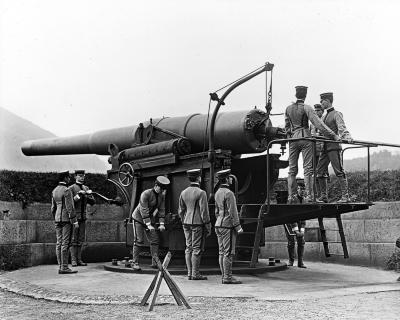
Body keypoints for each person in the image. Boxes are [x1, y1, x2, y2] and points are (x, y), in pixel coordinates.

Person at [285, 86, 339, 204]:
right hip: (305, 138)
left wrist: (291, 136)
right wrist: (333, 135)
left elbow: (287, 128)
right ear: (305, 95)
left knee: (292, 169)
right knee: (308, 169)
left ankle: (291, 197)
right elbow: (318, 124)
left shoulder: (288, 108)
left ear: (296, 95)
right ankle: (310, 197)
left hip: (293, 140)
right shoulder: (307, 107)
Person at [316, 92, 353, 203]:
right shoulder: (323, 116)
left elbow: (342, 127)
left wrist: (347, 136)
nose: (321, 103)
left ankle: (345, 196)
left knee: (339, 171)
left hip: (334, 147)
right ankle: (324, 196)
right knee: (320, 171)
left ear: (327, 101)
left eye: (322, 101)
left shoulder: (336, 114)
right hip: (324, 147)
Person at [131, 176, 170, 271]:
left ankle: (154, 262)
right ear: (156, 185)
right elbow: (143, 209)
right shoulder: (146, 194)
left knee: (155, 240)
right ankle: (134, 262)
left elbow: (161, 210)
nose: (161, 191)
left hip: (150, 220)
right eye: (161, 188)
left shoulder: (161, 196)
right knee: (139, 240)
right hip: (138, 219)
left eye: (163, 189)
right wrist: (148, 224)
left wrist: (161, 224)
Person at [178, 169, 211, 280]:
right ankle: (195, 274)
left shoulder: (183, 192)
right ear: (199, 178)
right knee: (196, 249)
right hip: (197, 223)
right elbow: (204, 212)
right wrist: (208, 225)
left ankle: (189, 273)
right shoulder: (201, 193)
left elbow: (180, 210)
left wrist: (184, 220)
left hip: (186, 223)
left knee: (188, 248)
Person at [214, 169, 243, 284]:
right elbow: (233, 212)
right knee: (228, 253)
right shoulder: (229, 193)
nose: (231, 179)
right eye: (229, 177)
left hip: (219, 224)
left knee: (221, 252)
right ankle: (227, 277)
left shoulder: (217, 192)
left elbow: (216, 211)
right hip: (227, 226)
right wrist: (238, 226)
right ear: (226, 179)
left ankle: (224, 276)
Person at [51, 171, 78, 274]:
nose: (69, 179)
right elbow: (70, 208)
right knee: (65, 243)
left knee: (59, 243)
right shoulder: (67, 190)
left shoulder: (54, 190)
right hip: (66, 220)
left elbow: (53, 208)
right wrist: (74, 221)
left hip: (57, 219)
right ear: (66, 178)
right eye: (68, 177)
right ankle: (64, 267)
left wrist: (56, 218)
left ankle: (60, 265)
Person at [69, 170, 95, 267]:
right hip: (75, 217)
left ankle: (79, 260)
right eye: (80, 176)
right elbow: (70, 203)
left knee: (80, 239)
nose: (82, 177)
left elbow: (93, 202)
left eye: (83, 175)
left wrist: (88, 195)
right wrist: (79, 195)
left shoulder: (86, 188)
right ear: (75, 176)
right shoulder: (71, 188)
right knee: (73, 239)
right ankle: (73, 260)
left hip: (83, 217)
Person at [284, 182, 307, 268]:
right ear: (297, 190)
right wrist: (296, 230)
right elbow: (290, 216)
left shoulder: (305, 200)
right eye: (300, 189)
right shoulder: (292, 199)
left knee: (301, 241)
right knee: (291, 242)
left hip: (299, 222)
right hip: (289, 222)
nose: (302, 191)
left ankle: (300, 262)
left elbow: (305, 217)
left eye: (303, 189)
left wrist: (302, 231)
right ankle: (291, 261)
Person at [310, 103, 325, 198]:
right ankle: (315, 195)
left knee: (322, 173)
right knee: (313, 173)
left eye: (318, 110)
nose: (316, 112)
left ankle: (323, 195)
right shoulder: (312, 123)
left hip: (322, 150)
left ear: (322, 111)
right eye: (315, 111)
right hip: (313, 150)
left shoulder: (324, 121)